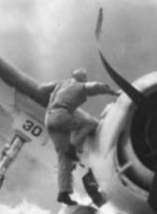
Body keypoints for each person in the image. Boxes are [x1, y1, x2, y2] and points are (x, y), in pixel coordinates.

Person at [39, 68, 118, 205]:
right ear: (82, 78)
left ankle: (63, 193)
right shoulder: (80, 86)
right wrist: (114, 92)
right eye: (85, 76)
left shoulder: (61, 83)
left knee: (64, 160)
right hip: (61, 115)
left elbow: (41, 88)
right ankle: (73, 147)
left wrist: (53, 97)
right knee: (89, 123)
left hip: (49, 118)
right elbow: (97, 86)